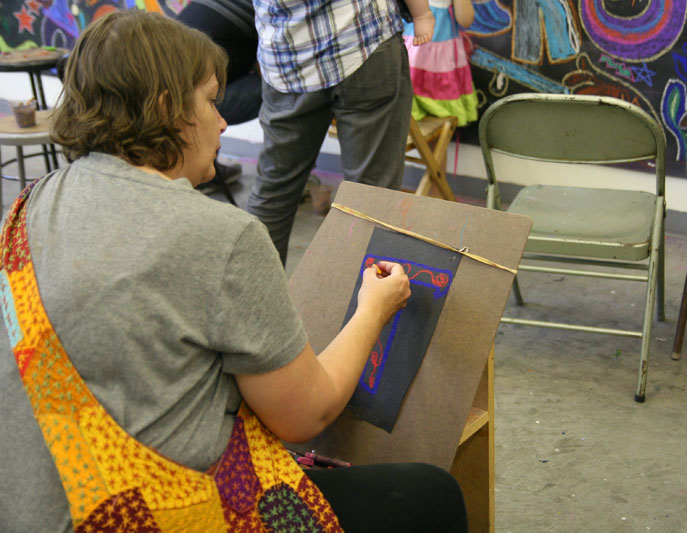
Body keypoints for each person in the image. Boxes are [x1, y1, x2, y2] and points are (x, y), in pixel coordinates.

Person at [0, 10, 468, 532]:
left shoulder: (28, 205)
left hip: (31, 505)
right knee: (431, 494)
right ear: (167, 109)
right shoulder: (220, 236)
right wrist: (372, 311)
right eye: (210, 101)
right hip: (146, 512)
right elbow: (304, 416)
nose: (223, 122)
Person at [248, 0, 413, 266]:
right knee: (371, 195)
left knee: (275, 191)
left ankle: (255, 305)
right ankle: (367, 304)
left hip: (287, 53)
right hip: (360, 37)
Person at [176, 0, 261, 191]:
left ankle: (204, 167)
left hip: (169, 101)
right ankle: (279, 178)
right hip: (184, 106)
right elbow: (269, 72)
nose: (222, 125)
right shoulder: (265, 12)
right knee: (279, 91)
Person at [403, 0, 478, 126]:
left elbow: (465, 20)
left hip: (440, 64)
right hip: (411, 54)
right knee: (407, 117)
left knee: (437, 122)